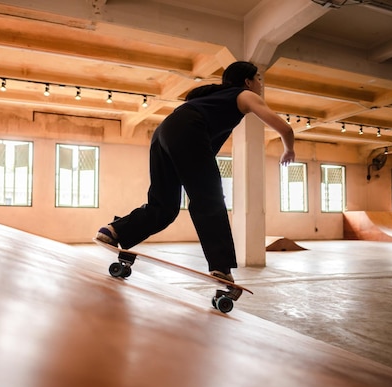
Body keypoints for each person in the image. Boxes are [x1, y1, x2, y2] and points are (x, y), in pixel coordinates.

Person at [96, 61, 295, 297]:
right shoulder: (244, 95)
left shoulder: (213, 99)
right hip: (188, 130)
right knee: (209, 199)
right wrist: (288, 149)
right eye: (259, 78)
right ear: (247, 81)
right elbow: (286, 129)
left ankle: (115, 231)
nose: (261, 84)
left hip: (164, 132)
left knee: (164, 206)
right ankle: (221, 267)